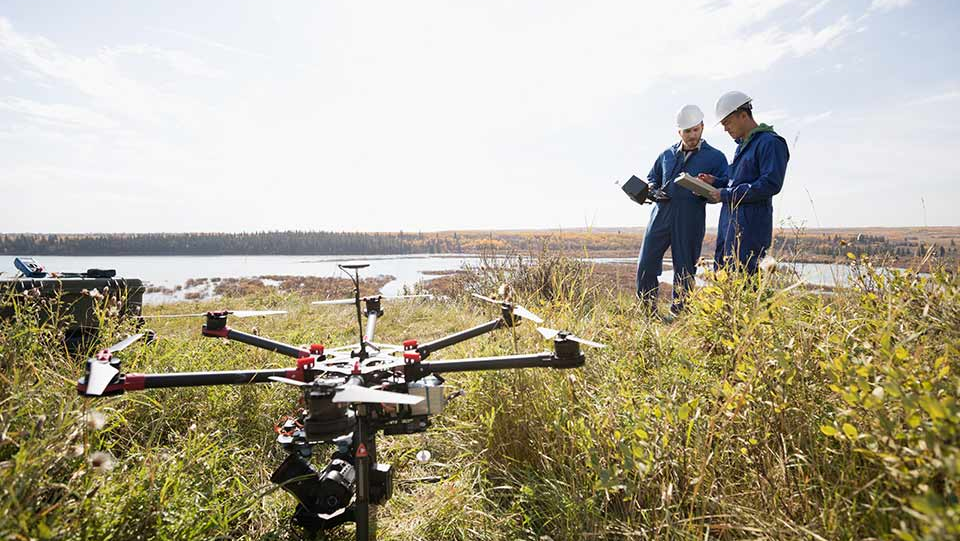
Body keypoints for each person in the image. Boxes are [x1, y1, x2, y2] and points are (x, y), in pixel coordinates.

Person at [637, 104, 728, 315]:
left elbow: (726, 183)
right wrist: (651, 188)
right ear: (680, 132)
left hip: (691, 216)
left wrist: (711, 182)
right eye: (687, 131)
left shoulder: (716, 157)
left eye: (696, 129)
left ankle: (680, 313)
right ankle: (646, 310)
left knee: (685, 268)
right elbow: (653, 177)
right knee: (646, 262)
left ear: (703, 127)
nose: (692, 135)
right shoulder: (666, 155)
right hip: (661, 213)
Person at [699, 91, 790, 273]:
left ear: (743, 115)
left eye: (727, 123)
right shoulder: (742, 146)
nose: (725, 129)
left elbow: (770, 184)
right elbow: (737, 181)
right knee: (724, 281)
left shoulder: (770, 143)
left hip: (750, 230)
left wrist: (724, 194)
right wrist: (716, 182)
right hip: (729, 226)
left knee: (746, 284)